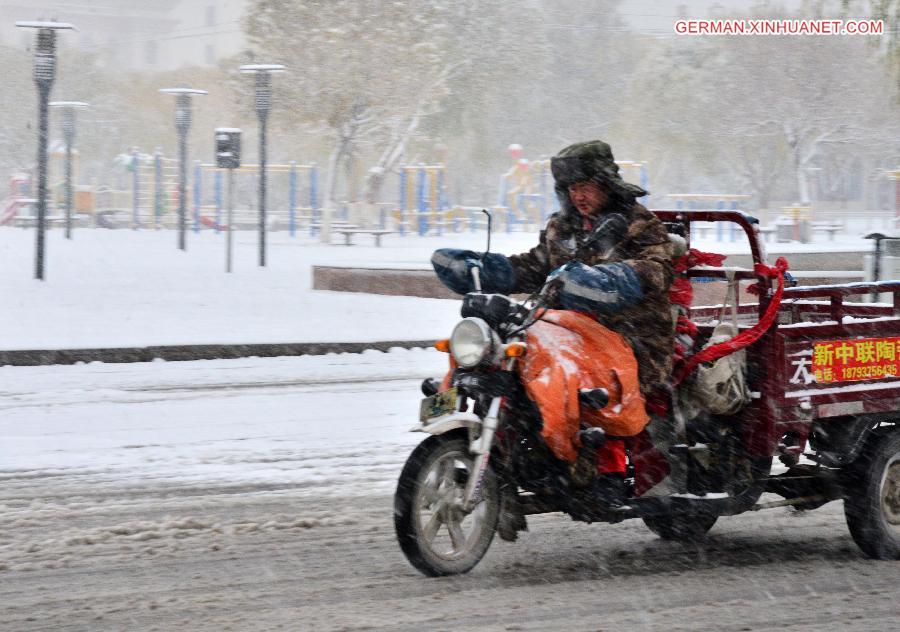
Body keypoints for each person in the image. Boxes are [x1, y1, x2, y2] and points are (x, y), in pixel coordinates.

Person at [432, 140, 675, 508]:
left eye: (586, 186)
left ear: (606, 183)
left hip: (633, 336)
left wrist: (607, 279)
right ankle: (505, 444)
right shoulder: (562, 227)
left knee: (579, 379)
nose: (578, 195)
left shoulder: (639, 224)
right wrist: (487, 270)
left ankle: (604, 472)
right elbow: (538, 265)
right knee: (500, 355)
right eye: (571, 188)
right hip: (566, 331)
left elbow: (656, 270)